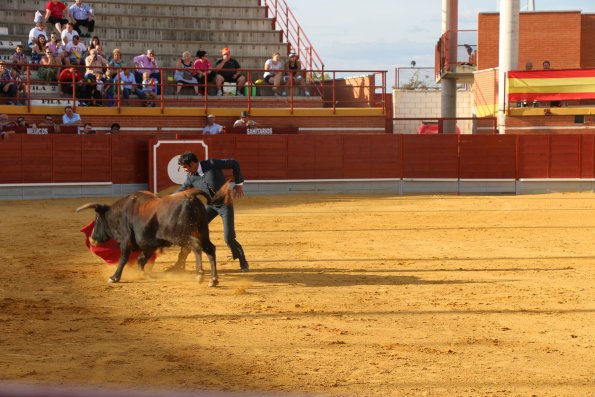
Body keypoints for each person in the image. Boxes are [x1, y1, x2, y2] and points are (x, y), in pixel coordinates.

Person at [174, 151, 249, 271]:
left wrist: (239, 184)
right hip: (210, 206)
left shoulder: (211, 163)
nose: (185, 170)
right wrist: (167, 199)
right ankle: (180, 263)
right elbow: (181, 190)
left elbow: (235, 163)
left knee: (228, 238)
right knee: (192, 232)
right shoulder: (191, 178)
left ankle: (243, 261)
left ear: (192, 163)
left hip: (225, 205)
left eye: (185, 167)